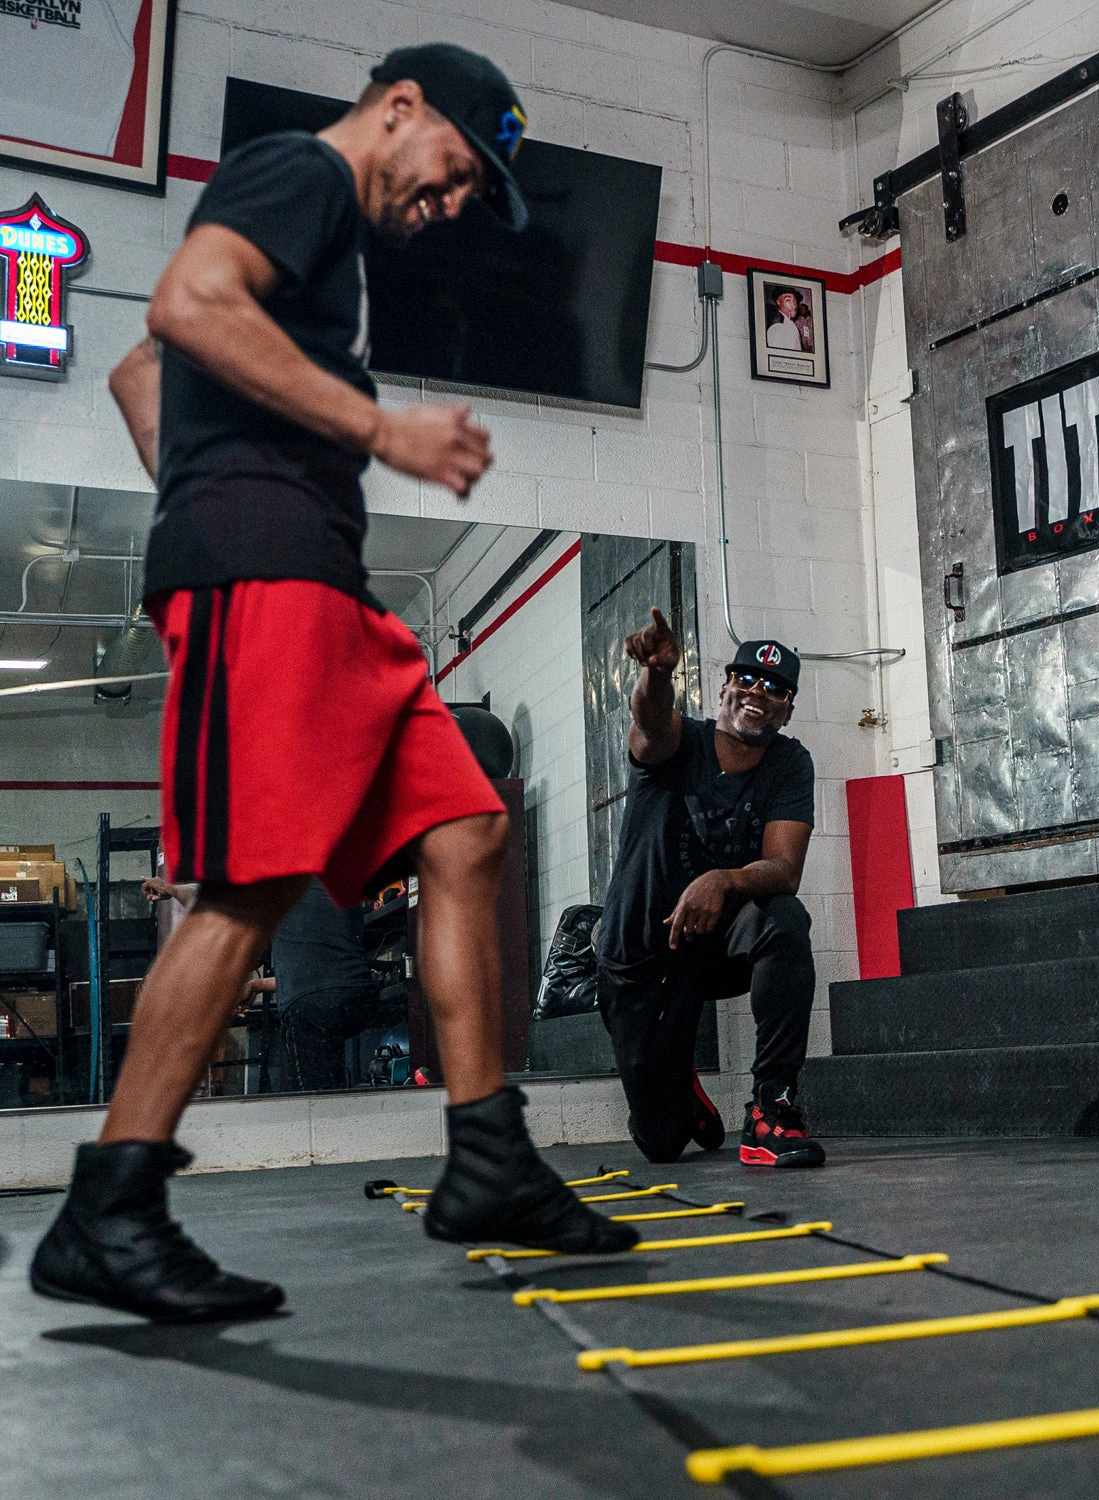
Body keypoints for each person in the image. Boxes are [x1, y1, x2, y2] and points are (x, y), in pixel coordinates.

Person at [31, 43, 635, 1324]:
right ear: (401, 109)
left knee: (468, 830)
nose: (453, 203)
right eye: (456, 171)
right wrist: (358, 439)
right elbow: (187, 304)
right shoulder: (300, 172)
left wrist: (210, 481)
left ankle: (488, 1159)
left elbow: (141, 375)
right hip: (267, 579)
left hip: (323, 583)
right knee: (251, 883)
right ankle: (110, 1210)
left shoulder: (329, 245)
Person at [595, 608, 825, 1170]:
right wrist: (657, 674)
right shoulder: (680, 741)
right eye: (747, 679)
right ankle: (678, 1087)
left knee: (784, 919)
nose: (758, 693)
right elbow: (650, 723)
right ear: (724, 686)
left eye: (775, 689)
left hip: (714, 944)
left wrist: (724, 879)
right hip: (640, 952)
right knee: (661, 1143)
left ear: (787, 708)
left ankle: (772, 1108)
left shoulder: (789, 763)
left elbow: (784, 867)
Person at [271, 880, 403, 1092]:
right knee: (330, 1082)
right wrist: (256, 984)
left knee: (308, 1098)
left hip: (310, 1006)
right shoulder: (337, 878)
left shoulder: (281, 886)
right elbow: (320, 971)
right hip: (357, 993)